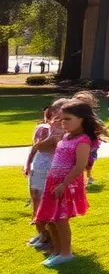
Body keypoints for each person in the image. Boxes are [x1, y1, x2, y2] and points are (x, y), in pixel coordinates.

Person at [34, 98, 103, 268]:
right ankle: (57, 251)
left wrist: (64, 184)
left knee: (60, 219)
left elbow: (80, 166)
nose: (63, 123)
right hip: (53, 181)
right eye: (61, 119)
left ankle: (66, 253)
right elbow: (41, 148)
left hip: (66, 183)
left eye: (68, 119)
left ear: (82, 120)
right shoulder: (65, 136)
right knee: (51, 218)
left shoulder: (83, 141)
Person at [24, 105, 60, 253]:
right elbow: (37, 147)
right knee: (36, 201)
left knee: (47, 204)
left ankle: (49, 237)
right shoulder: (43, 129)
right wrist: (28, 162)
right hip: (39, 168)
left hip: (53, 170)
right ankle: (42, 235)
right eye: (54, 117)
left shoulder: (65, 132)